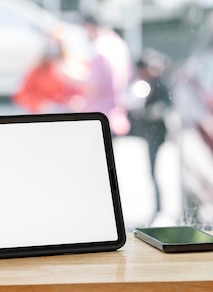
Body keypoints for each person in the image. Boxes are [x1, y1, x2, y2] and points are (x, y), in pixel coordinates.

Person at [129, 48, 172, 217]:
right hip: (150, 132)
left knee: (156, 171)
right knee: (152, 172)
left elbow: (166, 106)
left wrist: (148, 112)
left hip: (158, 133)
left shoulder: (160, 83)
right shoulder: (147, 84)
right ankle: (157, 207)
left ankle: (160, 208)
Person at [72, 15, 132, 135]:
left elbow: (94, 88)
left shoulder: (99, 50)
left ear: (89, 27)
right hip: (117, 115)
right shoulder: (119, 44)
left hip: (98, 117)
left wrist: (69, 78)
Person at [12, 33, 81, 114]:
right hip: (41, 116)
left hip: (65, 116)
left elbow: (82, 93)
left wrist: (73, 102)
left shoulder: (71, 67)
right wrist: (41, 104)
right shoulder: (37, 69)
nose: (53, 51)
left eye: (57, 46)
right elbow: (22, 95)